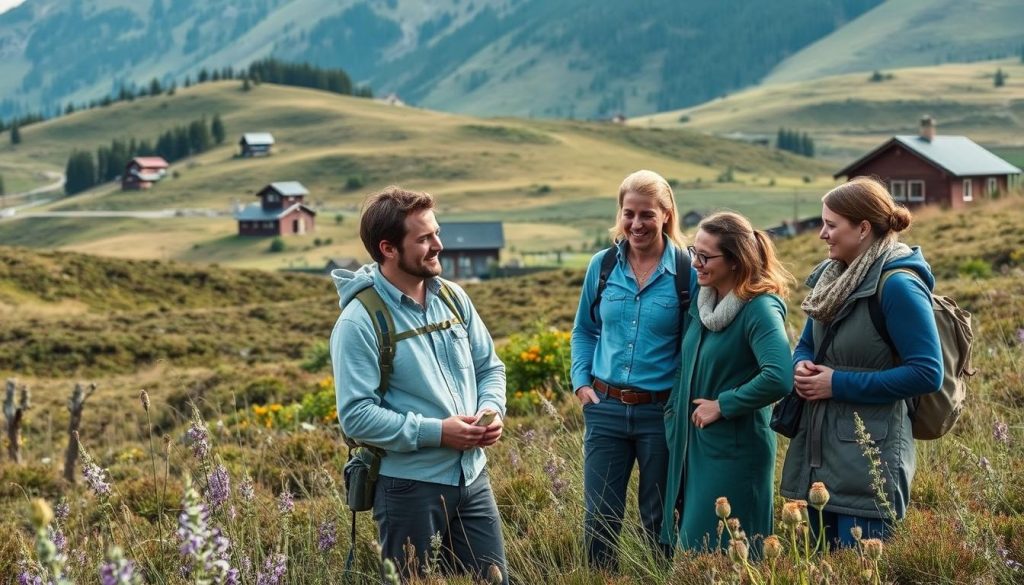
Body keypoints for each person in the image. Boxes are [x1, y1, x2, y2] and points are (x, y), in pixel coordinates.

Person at [330, 186, 508, 582]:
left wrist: (492, 410)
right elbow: (356, 418)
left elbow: (490, 367)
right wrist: (438, 433)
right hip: (408, 490)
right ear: (388, 248)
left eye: (436, 233)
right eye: (424, 239)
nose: (438, 245)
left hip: (472, 478)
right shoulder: (359, 322)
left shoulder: (454, 298)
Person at [780, 177, 943, 547]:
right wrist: (801, 367)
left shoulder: (899, 285)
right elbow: (807, 344)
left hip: (871, 463)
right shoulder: (830, 277)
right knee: (818, 566)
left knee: (862, 569)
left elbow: (928, 373)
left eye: (831, 225)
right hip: (816, 456)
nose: (822, 233)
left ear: (863, 228)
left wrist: (835, 384)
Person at [570, 169, 696, 570]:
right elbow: (584, 330)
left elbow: (695, 345)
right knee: (600, 519)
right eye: (629, 213)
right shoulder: (602, 266)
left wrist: (681, 398)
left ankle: (657, 578)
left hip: (661, 414)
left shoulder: (686, 271)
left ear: (666, 214)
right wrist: (581, 383)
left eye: (646, 214)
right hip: (604, 408)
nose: (636, 224)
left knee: (659, 519)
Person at [659, 212, 794, 552]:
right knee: (695, 554)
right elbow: (686, 364)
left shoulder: (760, 308)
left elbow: (779, 377)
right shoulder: (706, 304)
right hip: (694, 450)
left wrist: (724, 405)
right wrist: (673, 415)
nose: (695, 263)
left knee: (719, 555)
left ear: (736, 261)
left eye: (705, 257)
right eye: (694, 251)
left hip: (734, 455)